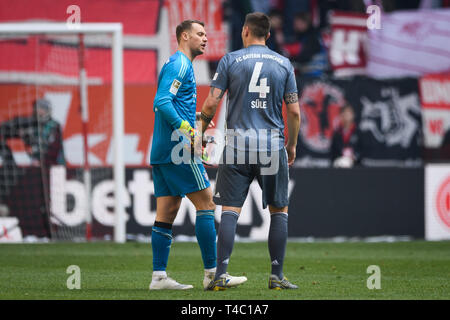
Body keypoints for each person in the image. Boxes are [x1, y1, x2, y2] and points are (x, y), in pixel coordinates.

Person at [199, 12, 301, 290]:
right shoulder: (283, 64)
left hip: (237, 146)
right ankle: (276, 276)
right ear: (268, 35)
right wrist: (291, 145)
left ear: (245, 31)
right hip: (272, 146)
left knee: (230, 211)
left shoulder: (230, 60)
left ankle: (220, 273)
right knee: (279, 211)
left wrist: (200, 131)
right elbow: (293, 111)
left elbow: (210, 103)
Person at [149, 20, 247, 290]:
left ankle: (158, 277)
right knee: (206, 204)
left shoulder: (176, 64)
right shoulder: (181, 64)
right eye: (200, 34)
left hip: (161, 150)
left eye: (206, 34)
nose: (205, 38)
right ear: (184, 36)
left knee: (166, 213)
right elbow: (161, 102)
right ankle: (213, 275)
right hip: (177, 150)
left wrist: (190, 121)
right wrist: (186, 130)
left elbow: (169, 104)